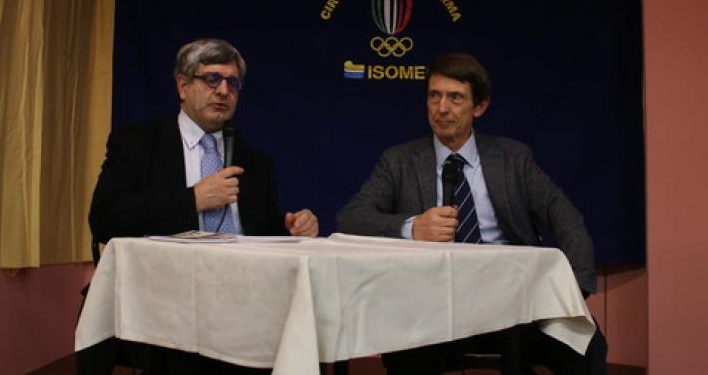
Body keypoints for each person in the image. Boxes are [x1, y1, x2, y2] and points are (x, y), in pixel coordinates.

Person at [336, 52, 606, 375]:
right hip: (431, 312)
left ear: (479, 106)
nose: (441, 108)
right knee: (403, 355)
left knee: (586, 345)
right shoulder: (399, 161)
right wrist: (413, 227)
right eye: (434, 96)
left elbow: (565, 218)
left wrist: (574, 288)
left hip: (515, 307)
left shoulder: (512, 158)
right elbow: (350, 217)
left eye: (455, 98)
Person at [84, 38, 318, 375]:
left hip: (246, 299)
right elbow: (106, 218)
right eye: (212, 79)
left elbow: (263, 233)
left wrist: (292, 228)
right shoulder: (137, 144)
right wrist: (192, 199)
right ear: (183, 86)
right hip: (167, 300)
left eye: (232, 83)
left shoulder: (255, 160)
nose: (223, 91)